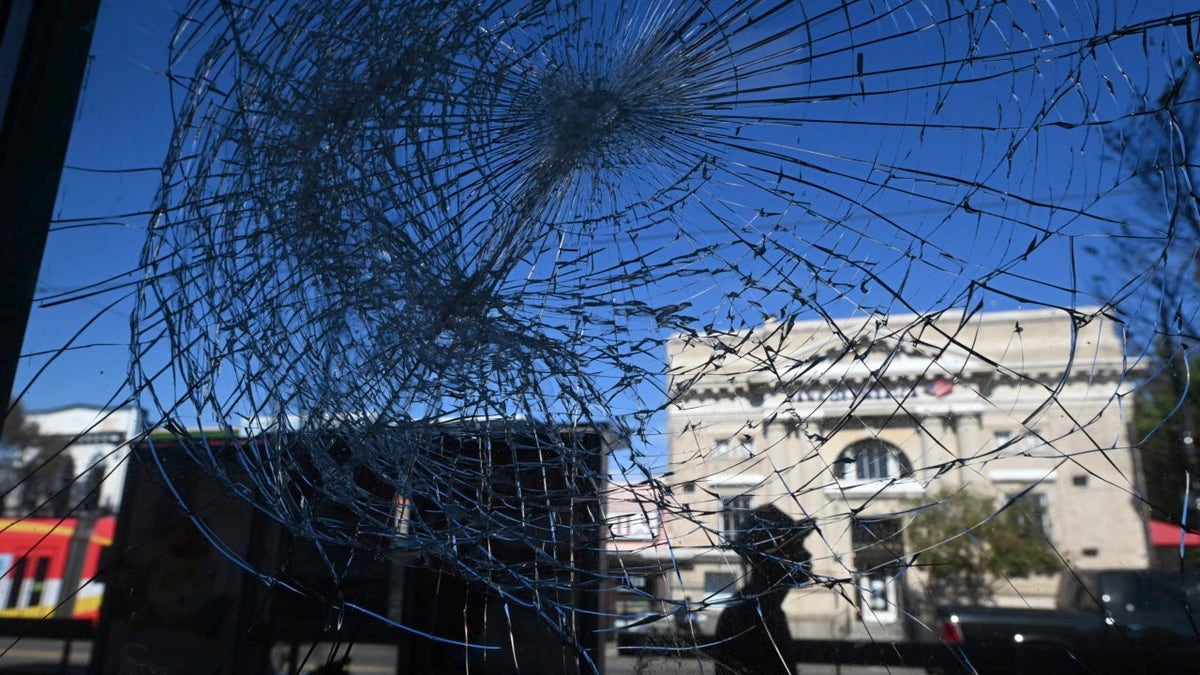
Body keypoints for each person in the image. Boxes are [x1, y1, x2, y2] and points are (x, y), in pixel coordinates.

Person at [711, 504, 815, 675]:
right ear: (769, 558)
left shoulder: (766, 610)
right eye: (795, 545)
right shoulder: (747, 617)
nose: (807, 555)